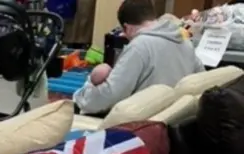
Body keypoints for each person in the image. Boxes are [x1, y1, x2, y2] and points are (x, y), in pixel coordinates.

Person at [73, 0, 205, 115]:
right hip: (175, 119)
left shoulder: (140, 46)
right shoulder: (186, 44)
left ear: (126, 28)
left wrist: (82, 95)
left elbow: (110, 95)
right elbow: (201, 81)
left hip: (143, 126)